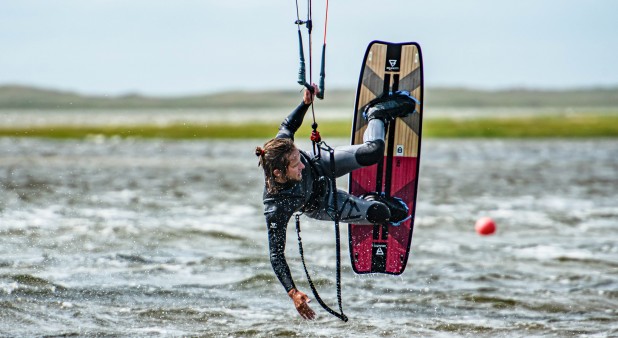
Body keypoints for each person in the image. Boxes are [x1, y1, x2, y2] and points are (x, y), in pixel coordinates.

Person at [255, 84, 417, 320]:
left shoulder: (281, 148)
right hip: (322, 204)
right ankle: (370, 201)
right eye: (295, 164)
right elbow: (276, 255)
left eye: (298, 157)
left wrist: (306, 103)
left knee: (373, 151)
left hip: (321, 164)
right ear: (278, 173)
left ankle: (376, 113)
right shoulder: (276, 207)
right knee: (382, 214)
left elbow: (288, 126)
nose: (300, 164)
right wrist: (292, 292)